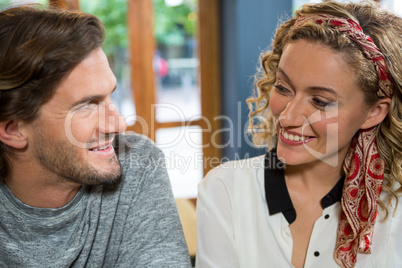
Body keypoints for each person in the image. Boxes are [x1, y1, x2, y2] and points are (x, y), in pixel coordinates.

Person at [196, 1, 402, 268]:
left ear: (373, 112)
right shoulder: (226, 190)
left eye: (319, 101)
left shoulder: (396, 209)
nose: (287, 117)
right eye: (283, 87)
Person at [0, 6, 191, 267]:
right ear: (13, 129)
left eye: (110, 95)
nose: (119, 124)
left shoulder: (137, 162)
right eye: (88, 104)